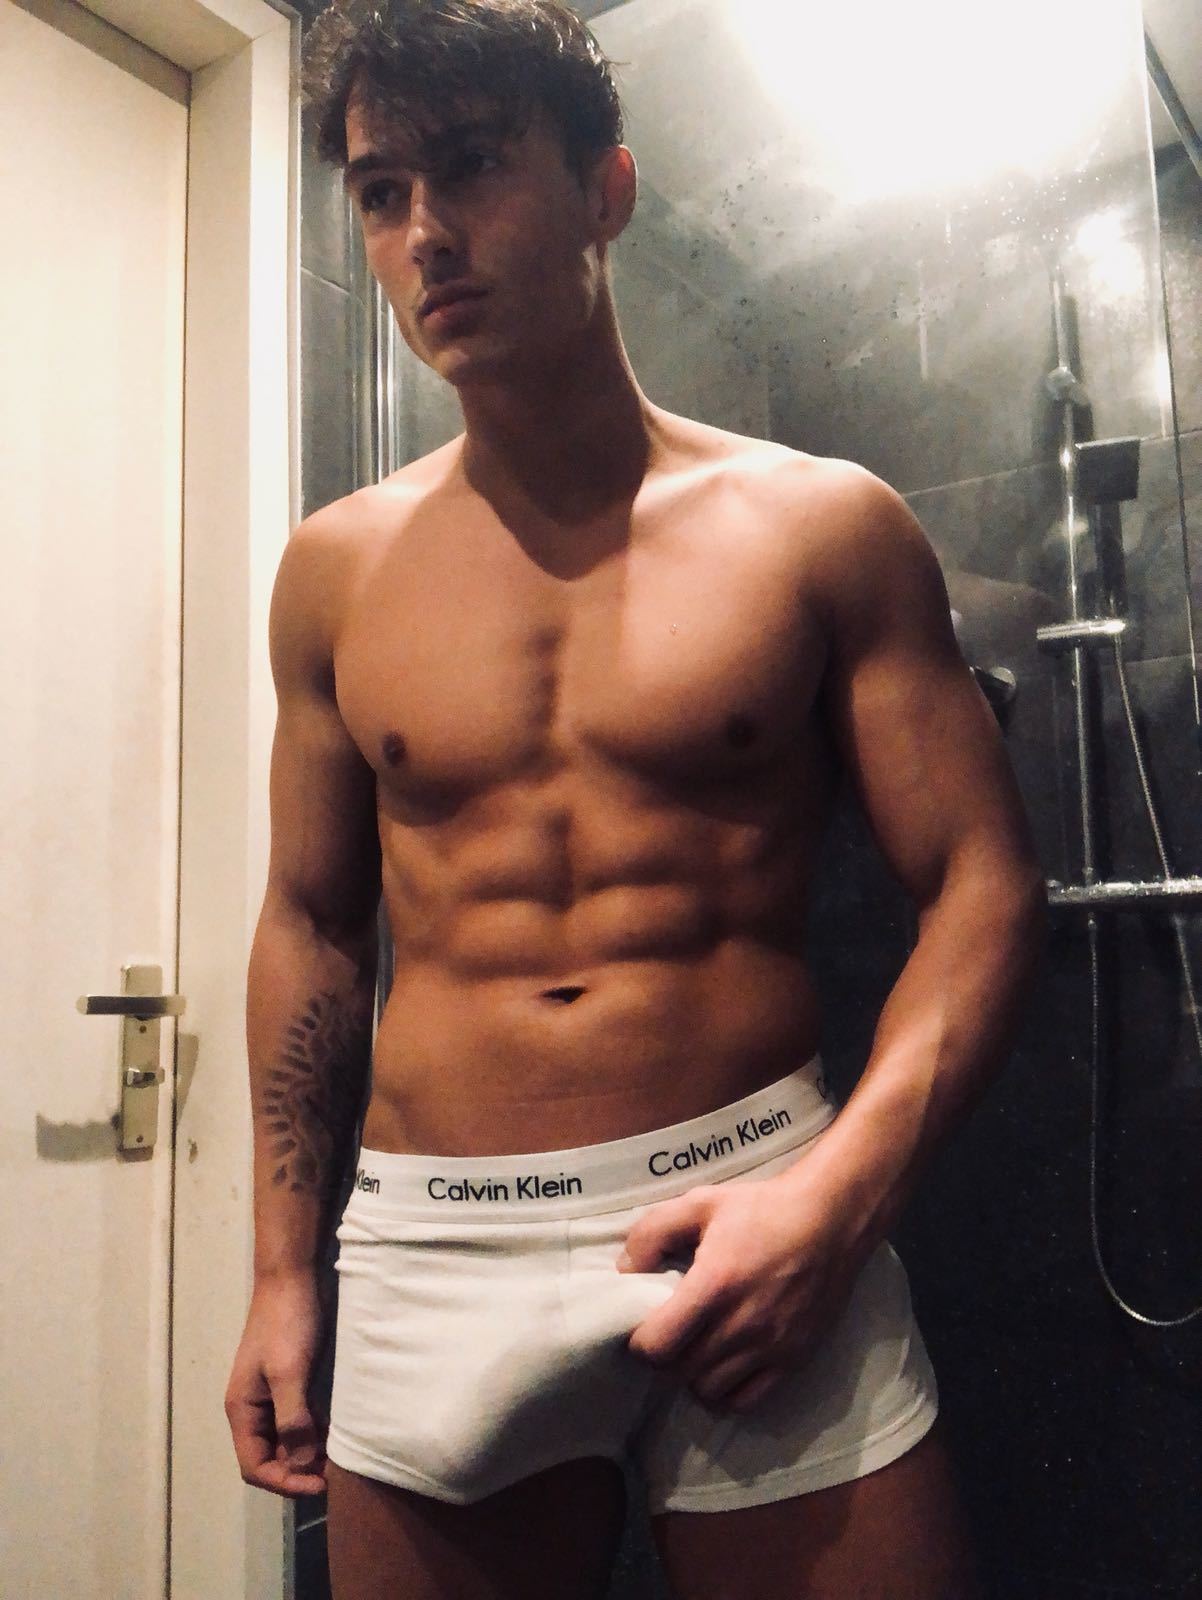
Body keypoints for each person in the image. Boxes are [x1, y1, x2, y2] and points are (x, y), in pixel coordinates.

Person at [224, 2, 1046, 1595]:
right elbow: (311, 921)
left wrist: (837, 1202)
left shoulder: (820, 527)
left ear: (604, 188)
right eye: (381, 192)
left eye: (471, 165)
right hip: (436, 1245)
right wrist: (279, 1272)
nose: (423, 233)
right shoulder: (333, 571)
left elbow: (982, 883)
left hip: (758, 1200)